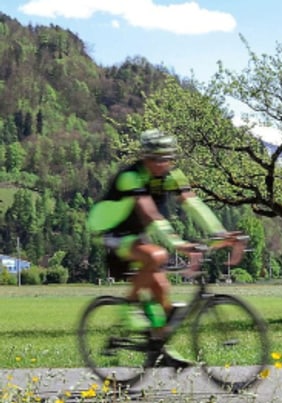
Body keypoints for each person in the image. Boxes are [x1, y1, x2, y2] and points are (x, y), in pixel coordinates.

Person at [87, 129, 241, 365]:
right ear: (144, 157)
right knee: (157, 255)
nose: (161, 164)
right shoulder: (132, 176)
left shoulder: (172, 176)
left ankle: (159, 350)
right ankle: (128, 309)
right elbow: (149, 213)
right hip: (112, 231)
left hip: (136, 235)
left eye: (166, 158)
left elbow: (193, 204)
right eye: (154, 158)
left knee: (161, 289)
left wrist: (219, 233)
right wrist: (177, 244)